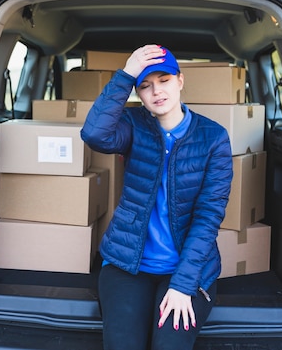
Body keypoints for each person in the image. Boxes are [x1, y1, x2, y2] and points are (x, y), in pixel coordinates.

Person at [80, 44, 234, 350]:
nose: (156, 92)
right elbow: (94, 134)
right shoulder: (133, 125)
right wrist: (126, 74)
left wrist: (182, 285)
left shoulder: (213, 137)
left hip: (187, 268)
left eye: (164, 80)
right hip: (127, 262)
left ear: (180, 80)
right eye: (145, 86)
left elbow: (208, 217)